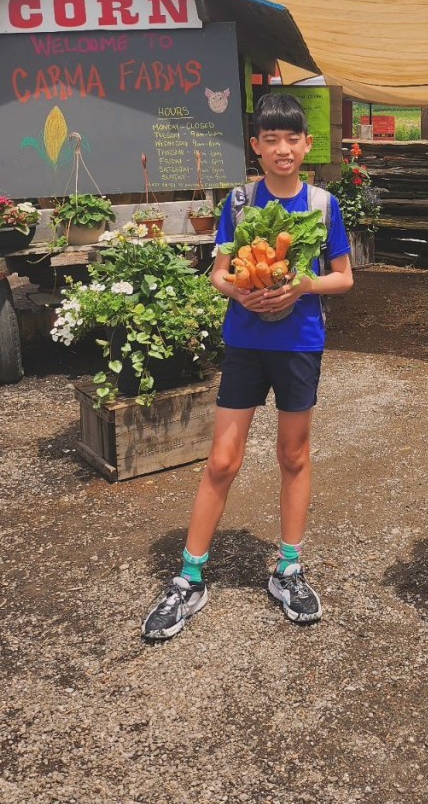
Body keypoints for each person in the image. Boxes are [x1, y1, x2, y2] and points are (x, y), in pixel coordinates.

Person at [141, 92, 353, 641]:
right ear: (256, 146)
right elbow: (217, 272)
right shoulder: (238, 201)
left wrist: (303, 285)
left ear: (307, 144)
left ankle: (289, 567)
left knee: (293, 455)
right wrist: (241, 293)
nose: (283, 149)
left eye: (292, 139)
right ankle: (190, 576)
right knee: (221, 460)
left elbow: (344, 277)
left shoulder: (324, 204)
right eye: (271, 139)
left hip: (300, 343)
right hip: (245, 342)